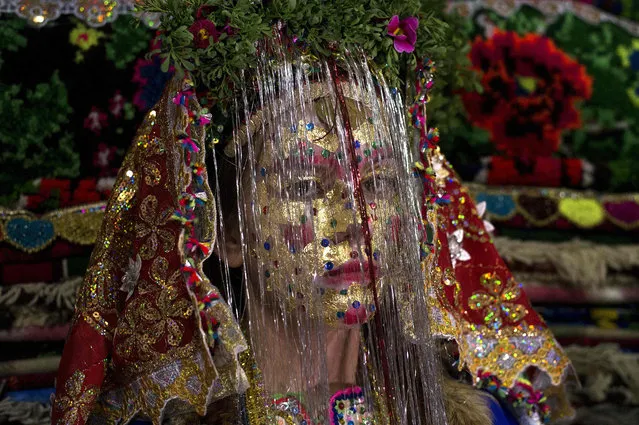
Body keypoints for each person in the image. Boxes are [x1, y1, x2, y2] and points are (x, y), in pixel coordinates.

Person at [51, 2, 573, 424]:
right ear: (221, 231)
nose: (358, 220)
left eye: (379, 183)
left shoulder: (477, 418)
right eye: (304, 185)